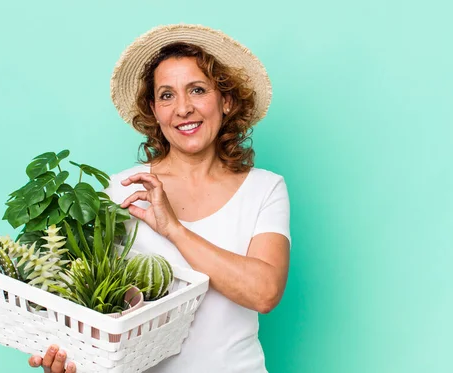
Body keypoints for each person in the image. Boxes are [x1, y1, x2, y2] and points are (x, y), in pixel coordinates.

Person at [28, 23, 291, 373]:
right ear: (154, 110)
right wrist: (66, 358)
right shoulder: (119, 190)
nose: (183, 108)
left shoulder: (264, 188)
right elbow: (89, 306)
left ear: (226, 100)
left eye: (197, 90)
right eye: (167, 95)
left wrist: (174, 229)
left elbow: (264, 292)